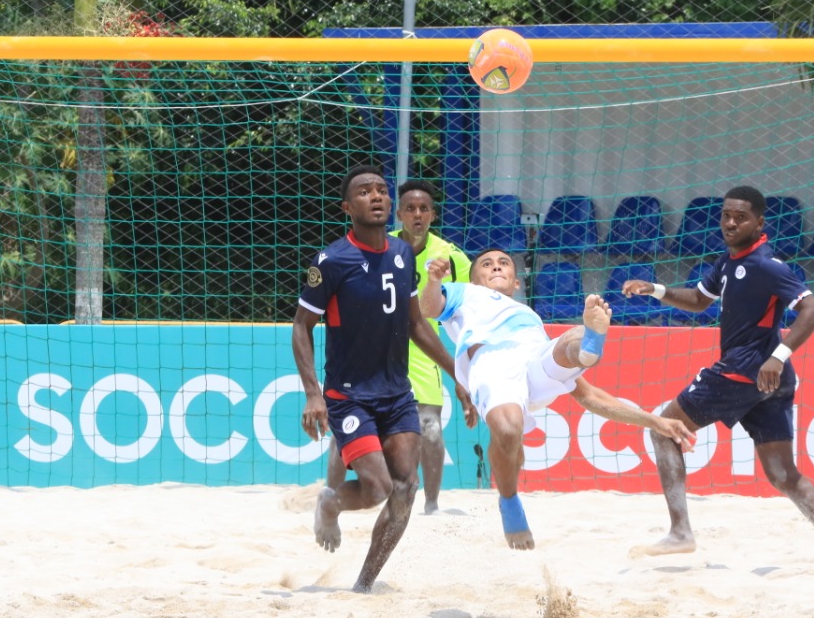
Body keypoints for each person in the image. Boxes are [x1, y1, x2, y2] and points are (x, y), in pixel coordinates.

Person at [622, 185, 814, 567]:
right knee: (783, 474)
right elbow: (700, 301)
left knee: (662, 426)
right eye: (726, 215)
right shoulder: (729, 261)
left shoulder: (768, 266)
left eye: (741, 217)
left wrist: (779, 355)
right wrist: (656, 289)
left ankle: (680, 532)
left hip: (744, 371)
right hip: (768, 381)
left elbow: (813, 310)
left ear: (759, 222)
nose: (731, 223)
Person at [420, 249, 695, 550]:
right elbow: (430, 308)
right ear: (475, 278)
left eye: (504, 263)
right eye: (487, 264)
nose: (496, 266)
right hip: (492, 361)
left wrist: (654, 421)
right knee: (509, 430)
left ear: (516, 283)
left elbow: (591, 396)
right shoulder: (466, 294)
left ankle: (588, 344)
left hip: (534, 360)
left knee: (570, 339)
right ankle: (509, 503)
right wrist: (434, 280)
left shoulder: (530, 316)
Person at [293, 165, 475, 593]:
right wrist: (312, 394)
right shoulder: (331, 261)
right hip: (349, 396)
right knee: (376, 488)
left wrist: (458, 376)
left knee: (406, 487)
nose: (375, 196)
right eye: (363, 192)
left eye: (380, 190)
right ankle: (330, 503)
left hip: (397, 395)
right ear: (347, 207)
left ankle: (364, 585)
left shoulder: (401, 254)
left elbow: (415, 325)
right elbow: (302, 326)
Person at [326, 179, 473, 513]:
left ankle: (431, 507)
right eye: (410, 208)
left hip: (422, 352)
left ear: (433, 215)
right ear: (399, 213)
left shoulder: (452, 257)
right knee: (343, 434)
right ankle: (331, 496)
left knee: (431, 430)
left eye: (424, 209)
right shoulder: (380, 247)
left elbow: (472, 310)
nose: (417, 215)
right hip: (375, 353)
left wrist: (462, 369)